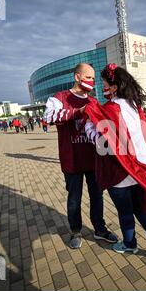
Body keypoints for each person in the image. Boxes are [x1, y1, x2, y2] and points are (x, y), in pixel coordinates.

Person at [85, 63, 146, 256]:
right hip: (139, 169)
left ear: (114, 87)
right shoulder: (134, 106)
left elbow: (103, 141)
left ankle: (130, 244)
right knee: (141, 208)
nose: (102, 87)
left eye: (104, 83)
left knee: (125, 212)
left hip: (119, 170)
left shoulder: (111, 108)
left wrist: (89, 124)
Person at [43, 62, 118, 249]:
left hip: (94, 160)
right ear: (77, 77)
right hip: (72, 160)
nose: (92, 81)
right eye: (88, 77)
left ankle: (100, 229)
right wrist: (78, 111)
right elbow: (48, 117)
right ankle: (75, 231)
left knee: (97, 196)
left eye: (93, 78)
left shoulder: (93, 101)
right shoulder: (59, 97)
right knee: (74, 198)